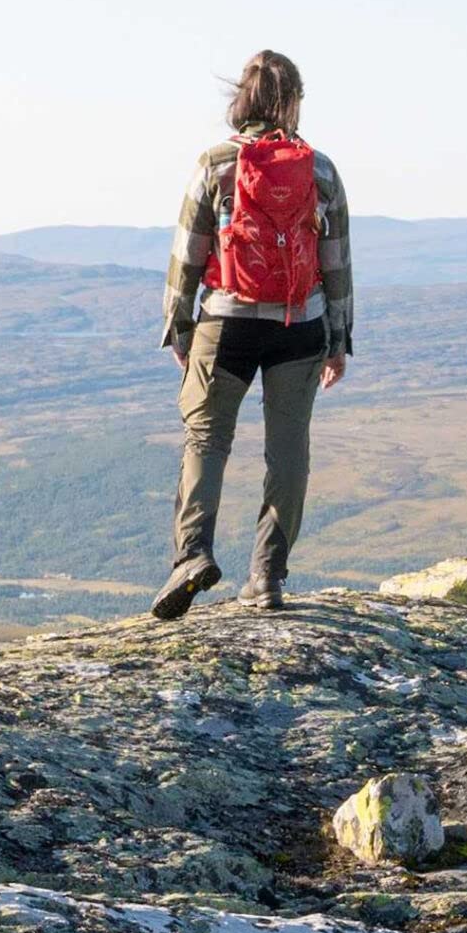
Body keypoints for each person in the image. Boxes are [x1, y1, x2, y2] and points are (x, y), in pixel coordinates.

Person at [151, 49, 353, 620]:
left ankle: (191, 556)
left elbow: (187, 253)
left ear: (242, 98)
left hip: (226, 323)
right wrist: (337, 339)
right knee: (289, 452)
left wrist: (180, 327)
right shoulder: (321, 171)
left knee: (207, 443)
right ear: (291, 101)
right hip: (300, 324)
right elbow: (336, 263)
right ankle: (267, 576)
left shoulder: (215, 163)